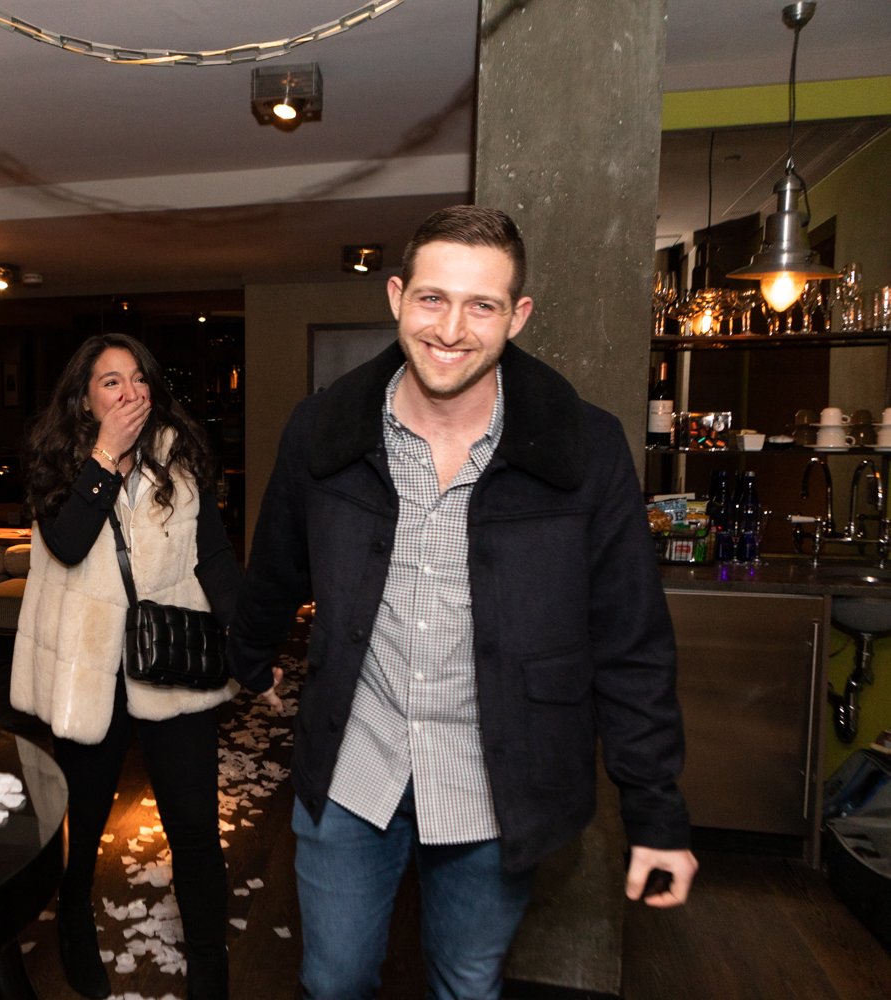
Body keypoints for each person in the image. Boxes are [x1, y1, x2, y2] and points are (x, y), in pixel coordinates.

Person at [228, 205, 698, 999]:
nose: (451, 328)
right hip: (355, 766)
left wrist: (656, 815)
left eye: (481, 305)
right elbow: (276, 561)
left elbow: (631, 640)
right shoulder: (324, 431)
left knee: (469, 984)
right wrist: (249, 655)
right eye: (432, 299)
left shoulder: (585, 449)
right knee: (333, 981)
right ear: (396, 298)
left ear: (517, 317)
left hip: (496, 783)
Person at [10, 332, 239, 1000]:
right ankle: (74, 922)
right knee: (81, 824)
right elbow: (71, 541)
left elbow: (214, 557)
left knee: (194, 830)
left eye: (138, 379)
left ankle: (210, 967)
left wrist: (248, 637)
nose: (130, 392)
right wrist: (106, 456)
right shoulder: (56, 462)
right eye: (111, 381)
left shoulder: (180, 457)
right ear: (84, 398)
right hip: (91, 671)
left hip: (172, 659)